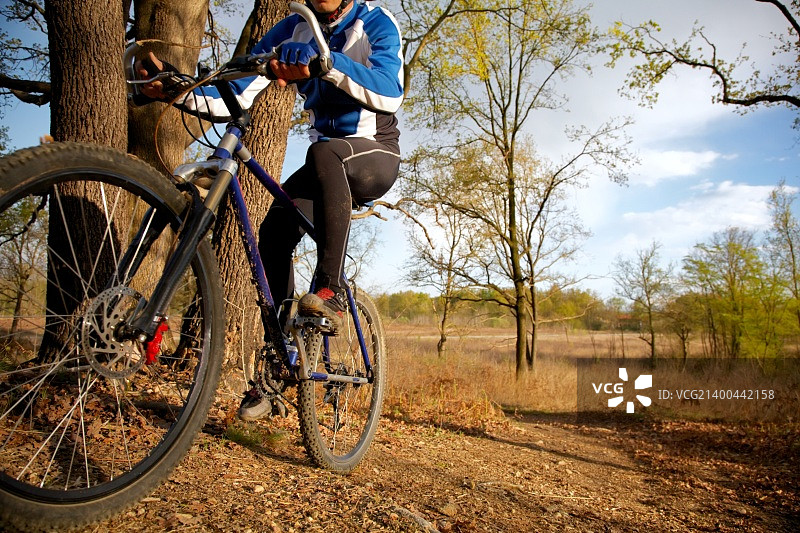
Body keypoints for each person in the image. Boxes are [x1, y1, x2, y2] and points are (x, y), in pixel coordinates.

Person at [138, 0, 403, 420]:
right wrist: (179, 90)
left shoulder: (375, 21)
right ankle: (281, 364)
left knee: (324, 153)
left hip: (374, 156)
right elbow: (233, 96)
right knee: (273, 236)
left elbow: (390, 91)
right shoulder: (292, 28)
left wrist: (325, 64)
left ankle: (329, 290)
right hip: (324, 165)